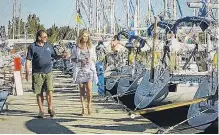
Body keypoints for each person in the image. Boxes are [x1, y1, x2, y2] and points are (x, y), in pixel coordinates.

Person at [25, 30, 63, 118]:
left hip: (48, 72)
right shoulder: (32, 47)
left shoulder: (49, 46)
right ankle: (41, 110)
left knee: (50, 91)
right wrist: (27, 72)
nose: (46, 38)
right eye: (44, 37)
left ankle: (50, 108)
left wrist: (62, 56)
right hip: (37, 73)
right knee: (39, 93)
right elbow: (28, 60)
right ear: (39, 37)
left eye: (47, 36)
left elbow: (55, 56)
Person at [71, 29, 98, 115]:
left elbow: (95, 58)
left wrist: (91, 59)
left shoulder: (91, 47)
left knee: (89, 90)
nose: (85, 38)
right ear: (81, 37)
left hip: (89, 69)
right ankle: (83, 108)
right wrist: (79, 60)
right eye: (84, 36)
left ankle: (89, 105)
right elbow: (72, 58)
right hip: (80, 70)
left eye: (87, 36)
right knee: (82, 90)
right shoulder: (76, 47)